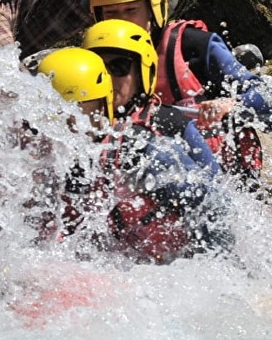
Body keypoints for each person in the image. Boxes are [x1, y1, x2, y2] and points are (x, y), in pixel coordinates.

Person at [89, 0, 272, 176]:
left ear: (154, 8)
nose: (121, 21)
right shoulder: (95, 59)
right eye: (111, 13)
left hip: (221, 173)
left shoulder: (194, 45)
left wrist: (231, 105)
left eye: (131, 10)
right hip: (148, 170)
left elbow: (268, 98)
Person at [35, 46, 229, 263]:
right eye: (52, 110)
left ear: (102, 103)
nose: (64, 120)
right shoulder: (34, 157)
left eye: (76, 107)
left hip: (169, 266)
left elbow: (214, 207)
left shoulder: (138, 150)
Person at [81, 19, 219, 172]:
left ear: (142, 75)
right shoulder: (74, 126)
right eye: (97, 69)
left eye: (118, 67)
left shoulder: (171, 123)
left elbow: (216, 189)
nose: (106, 77)